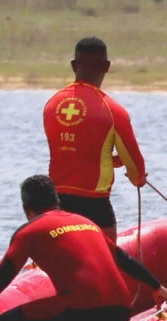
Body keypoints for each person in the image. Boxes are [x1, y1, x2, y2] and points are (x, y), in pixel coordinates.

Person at [0, 175, 167, 321]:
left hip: (81, 314)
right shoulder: (86, 222)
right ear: (57, 200)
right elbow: (124, 259)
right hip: (119, 314)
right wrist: (156, 286)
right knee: (62, 311)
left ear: (26, 208)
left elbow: (1, 278)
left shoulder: (28, 232)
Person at [43, 36, 146, 240]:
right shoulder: (114, 112)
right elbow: (136, 171)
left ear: (74, 65)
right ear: (106, 67)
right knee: (106, 264)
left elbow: (74, 149)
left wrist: (109, 160)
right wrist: (138, 178)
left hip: (55, 205)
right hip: (94, 206)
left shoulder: (52, 105)